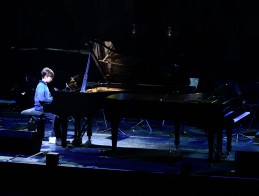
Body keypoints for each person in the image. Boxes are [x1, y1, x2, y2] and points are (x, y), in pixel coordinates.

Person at [21, 67, 62, 146]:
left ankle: (53, 138)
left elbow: (47, 97)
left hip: (45, 107)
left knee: (57, 117)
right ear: (46, 76)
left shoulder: (44, 85)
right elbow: (41, 99)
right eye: (51, 77)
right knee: (56, 118)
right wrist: (52, 100)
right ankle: (57, 138)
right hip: (40, 108)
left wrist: (52, 98)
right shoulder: (41, 86)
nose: (52, 79)